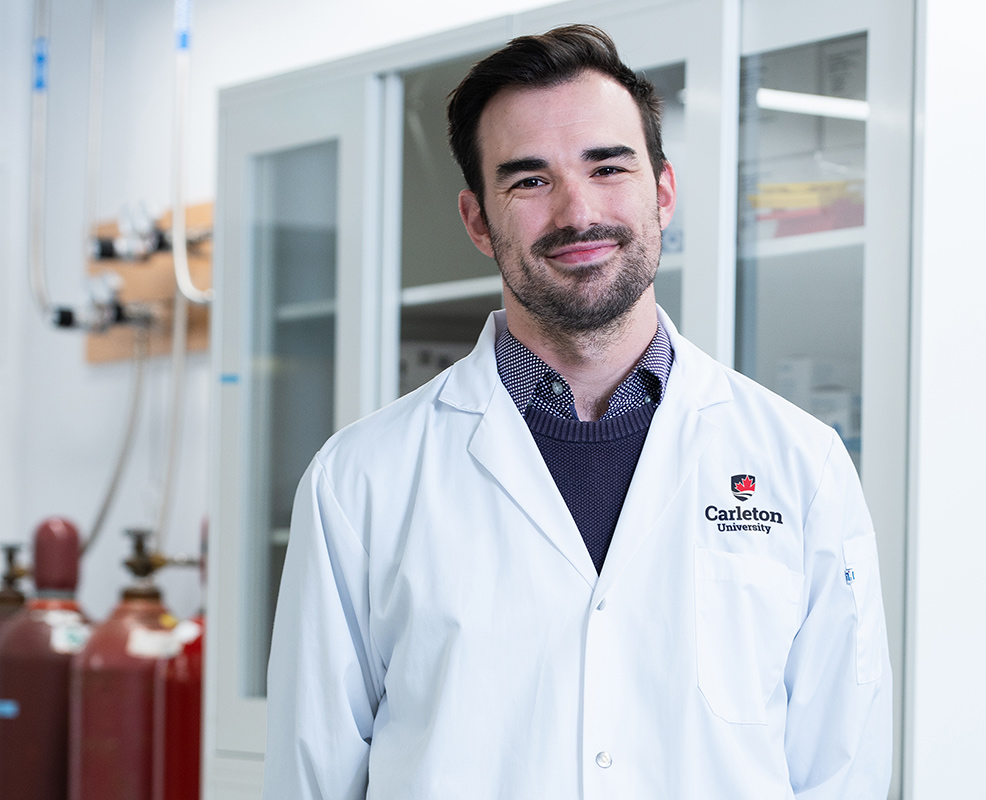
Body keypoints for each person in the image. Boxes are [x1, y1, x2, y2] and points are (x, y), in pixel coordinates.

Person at [263, 24, 891, 799]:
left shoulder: (800, 462)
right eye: (529, 180)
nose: (577, 210)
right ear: (478, 220)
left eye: (608, 167)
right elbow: (312, 777)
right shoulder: (359, 482)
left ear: (662, 189)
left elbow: (843, 768)